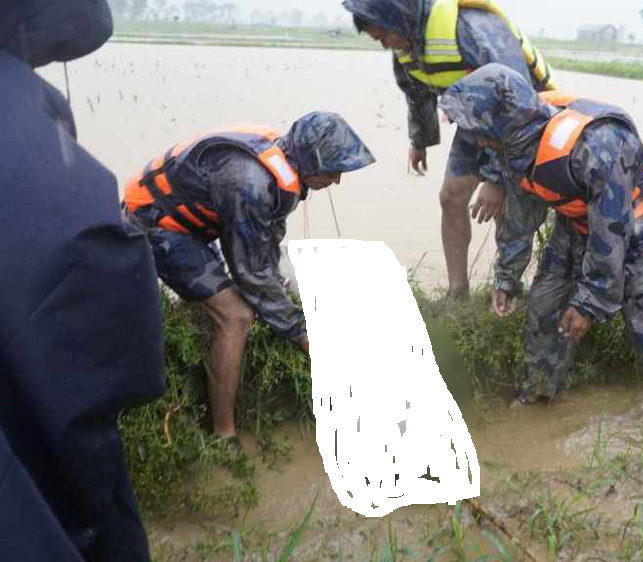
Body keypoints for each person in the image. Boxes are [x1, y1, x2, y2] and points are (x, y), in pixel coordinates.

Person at [438, 64, 643, 425]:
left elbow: (612, 232)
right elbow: (518, 219)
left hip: (641, 224)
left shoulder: (596, 144)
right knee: (545, 301)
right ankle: (539, 396)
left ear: (499, 122)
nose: (473, 140)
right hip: (577, 222)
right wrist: (506, 279)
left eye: (475, 130)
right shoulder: (514, 146)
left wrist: (589, 303)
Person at [1, 0, 166, 558]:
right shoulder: (16, 116)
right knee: (233, 313)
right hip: (165, 223)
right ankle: (224, 429)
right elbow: (88, 286)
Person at [122, 112, 375, 438]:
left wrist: (277, 292)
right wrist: (301, 333)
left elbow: (266, 243)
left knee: (249, 294)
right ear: (312, 160)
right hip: (153, 223)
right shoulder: (249, 183)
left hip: (188, 225)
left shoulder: (283, 163)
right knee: (237, 314)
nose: (338, 179)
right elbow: (251, 274)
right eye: (335, 169)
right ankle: (223, 435)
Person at [343, 0, 555, 298]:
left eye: (384, 36)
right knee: (451, 196)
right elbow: (417, 92)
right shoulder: (405, 42)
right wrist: (421, 140)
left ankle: (507, 290)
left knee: (506, 207)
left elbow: (517, 98)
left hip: (526, 122)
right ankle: (458, 293)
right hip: (477, 122)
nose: (384, 45)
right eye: (378, 40)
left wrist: (497, 179)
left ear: (399, 17)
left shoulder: (471, 27)